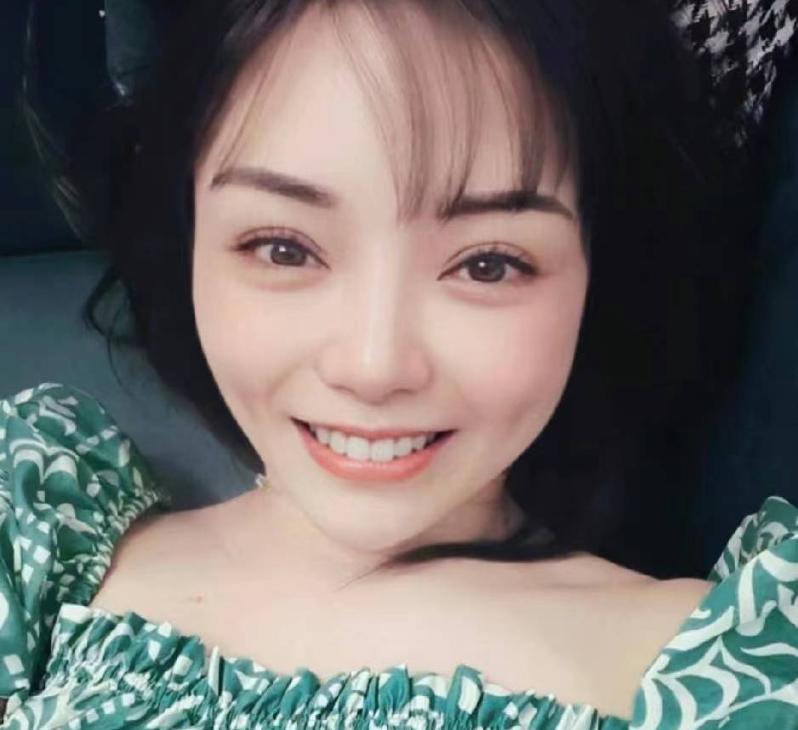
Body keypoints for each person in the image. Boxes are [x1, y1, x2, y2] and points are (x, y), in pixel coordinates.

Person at [1, 0, 796, 727]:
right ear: (189, 237)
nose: (373, 366)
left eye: (487, 264)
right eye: (284, 249)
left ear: (600, 270)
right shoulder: (37, 535)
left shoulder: (736, 671)